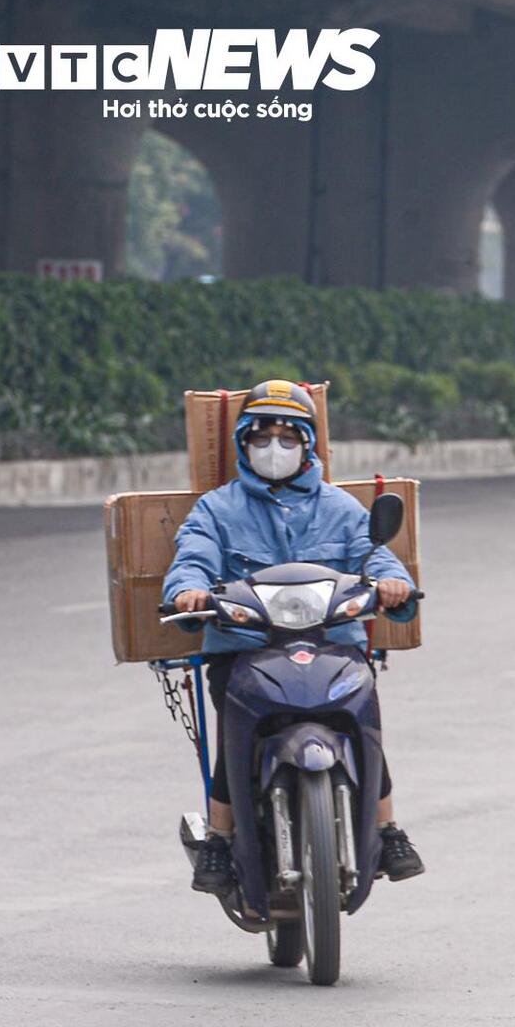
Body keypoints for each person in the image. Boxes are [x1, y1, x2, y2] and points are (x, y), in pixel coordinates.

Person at [164, 380, 426, 892]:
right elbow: (192, 556)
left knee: (361, 719)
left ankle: (387, 829)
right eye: (262, 437)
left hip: (332, 644)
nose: (274, 448)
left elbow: (373, 553)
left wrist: (395, 584)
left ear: (307, 445)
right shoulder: (216, 510)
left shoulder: (341, 507)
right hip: (246, 648)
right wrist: (189, 591)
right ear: (243, 443)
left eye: (288, 437)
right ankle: (219, 839)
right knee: (234, 731)